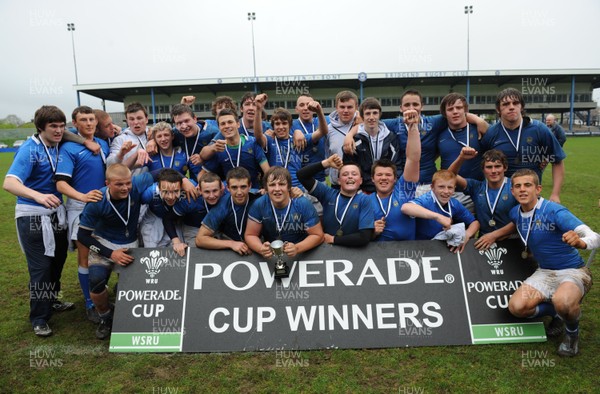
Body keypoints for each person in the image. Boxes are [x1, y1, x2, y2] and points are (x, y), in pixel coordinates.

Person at [507, 169, 599, 357]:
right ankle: (557, 312)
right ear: (512, 192)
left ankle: (572, 334)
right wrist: (491, 235)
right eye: (517, 186)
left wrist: (581, 242)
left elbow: (595, 237)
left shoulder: (554, 211)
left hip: (573, 271)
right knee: (517, 307)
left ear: (538, 189)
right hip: (545, 272)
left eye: (528, 185)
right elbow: (515, 227)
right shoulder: (515, 212)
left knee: (563, 301)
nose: (522, 190)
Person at [77, 164, 172, 339]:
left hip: (131, 244)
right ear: (107, 183)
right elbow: (82, 236)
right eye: (119, 184)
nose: (125, 188)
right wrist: (110, 253)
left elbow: (163, 171)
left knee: (132, 288)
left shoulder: (136, 184)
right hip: (104, 242)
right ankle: (105, 317)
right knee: (96, 282)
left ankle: (127, 314)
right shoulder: (97, 200)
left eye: (127, 183)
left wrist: (184, 181)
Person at [3, 105, 73, 336]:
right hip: (33, 216)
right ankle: (39, 318)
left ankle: (51, 301)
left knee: (57, 262)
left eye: (62, 126)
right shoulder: (28, 150)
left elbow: (72, 134)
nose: (59, 131)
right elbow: (10, 183)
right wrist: (38, 195)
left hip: (55, 215)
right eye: (53, 126)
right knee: (41, 268)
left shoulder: (57, 144)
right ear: (40, 127)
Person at [55, 106, 109, 323]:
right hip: (80, 208)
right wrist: (82, 196)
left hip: (103, 207)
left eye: (91, 119)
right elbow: (60, 183)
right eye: (83, 120)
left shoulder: (103, 143)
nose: (88, 123)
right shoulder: (68, 148)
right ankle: (90, 302)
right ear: (74, 124)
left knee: (105, 252)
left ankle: (102, 295)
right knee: (85, 256)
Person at [479, 88, 565, 202]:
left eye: (515, 103)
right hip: (502, 197)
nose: (511, 107)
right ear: (498, 109)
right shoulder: (492, 133)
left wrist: (555, 194)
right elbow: (481, 163)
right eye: (505, 104)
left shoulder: (539, 129)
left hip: (531, 195)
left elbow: (557, 161)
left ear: (522, 106)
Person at [245, 167, 324, 258]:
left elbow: (318, 235)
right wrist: (261, 248)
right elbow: (250, 235)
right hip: (272, 255)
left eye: (282, 184)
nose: (277, 189)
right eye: (272, 185)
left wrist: (297, 248)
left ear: (289, 187)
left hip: (301, 254)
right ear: (266, 188)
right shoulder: (259, 205)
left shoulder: (302, 203)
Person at [448, 147, 519, 248]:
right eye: (489, 167)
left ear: (505, 167)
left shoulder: (516, 186)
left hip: (511, 240)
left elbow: (521, 219)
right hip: (484, 241)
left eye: (497, 166)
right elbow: (450, 175)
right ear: (483, 170)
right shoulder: (476, 187)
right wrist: (461, 158)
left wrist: (494, 235)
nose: (493, 171)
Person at [297, 156, 374, 246]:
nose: (350, 177)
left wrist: (334, 239)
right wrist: (326, 163)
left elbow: (364, 237)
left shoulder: (364, 200)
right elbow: (302, 175)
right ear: (339, 181)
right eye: (345, 174)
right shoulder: (328, 194)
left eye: (354, 174)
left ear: (360, 181)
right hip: (328, 251)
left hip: (353, 253)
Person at [370, 108, 421, 241]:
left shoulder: (404, 190)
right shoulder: (365, 201)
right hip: (379, 257)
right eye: (379, 175)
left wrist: (413, 127)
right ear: (372, 179)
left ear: (395, 179)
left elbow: (413, 159)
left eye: (388, 175)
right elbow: (358, 235)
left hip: (408, 256)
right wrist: (372, 232)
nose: (384, 178)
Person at [401, 169, 480, 253]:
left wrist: (466, 235)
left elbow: (475, 223)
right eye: (441, 187)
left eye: (450, 187)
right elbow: (406, 208)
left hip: (440, 248)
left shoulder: (454, 203)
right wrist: (438, 217)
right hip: (418, 248)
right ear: (432, 187)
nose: (446, 191)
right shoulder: (427, 199)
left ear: (454, 189)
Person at [200, 109, 270, 192]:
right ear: (219, 128)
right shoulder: (219, 148)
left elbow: (267, 171)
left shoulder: (252, 143)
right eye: (223, 124)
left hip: (252, 192)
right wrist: (200, 186)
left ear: (238, 124)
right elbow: (203, 174)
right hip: (230, 194)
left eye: (230, 122)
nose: (227, 126)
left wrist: (267, 189)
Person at [343, 97, 403, 193]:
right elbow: (349, 166)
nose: (371, 117)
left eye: (375, 113)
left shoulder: (391, 138)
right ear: (362, 117)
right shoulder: (354, 140)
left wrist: (391, 187)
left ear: (379, 115)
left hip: (387, 191)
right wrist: (359, 190)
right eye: (367, 114)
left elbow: (397, 166)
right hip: (363, 191)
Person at [196, 167, 257, 255]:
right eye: (234, 187)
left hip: (257, 242)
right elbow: (200, 239)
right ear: (228, 188)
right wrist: (231, 244)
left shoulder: (259, 198)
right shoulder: (222, 206)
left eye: (243, 187)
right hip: (230, 246)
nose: (239, 192)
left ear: (250, 186)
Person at [140, 169, 189, 256]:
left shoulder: (189, 189)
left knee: (180, 250)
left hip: (177, 219)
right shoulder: (150, 193)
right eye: (165, 191)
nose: (171, 197)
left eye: (176, 191)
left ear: (181, 187)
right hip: (155, 217)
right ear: (158, 187)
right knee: (153, 252)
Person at [167, 172, 225, 245]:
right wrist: (176, 241)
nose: (211, 196)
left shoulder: (228, 195)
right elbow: (168, 219)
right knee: (198, 254)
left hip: (220, 230)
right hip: (194, 231)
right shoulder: (190, 201)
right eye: (207, 192)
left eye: (215, 191)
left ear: (221, 189)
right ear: (200, 190)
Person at [106, 102, 152, 175]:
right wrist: (120, 154)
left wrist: (153, 140)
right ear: (127, 121)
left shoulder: (154, 134)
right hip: (129, 184)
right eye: (131, 119)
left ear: (146, 119)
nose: (136, 122)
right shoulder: (120, 139)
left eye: (139, 118)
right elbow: (109, 166)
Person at [325, 90, 359, 188]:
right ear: (336, 107)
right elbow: (327, 153)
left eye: (349, 107)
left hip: (360, 186)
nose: (345, 111)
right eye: (342, 107)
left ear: (356, 107)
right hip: (336, 185)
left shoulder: (363, 125)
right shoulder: (329, 129)